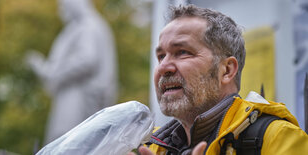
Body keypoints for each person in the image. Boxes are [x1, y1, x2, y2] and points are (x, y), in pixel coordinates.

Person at [130, 4, 308, 155]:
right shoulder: (150, 147)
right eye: (161, 56)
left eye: (183, 52)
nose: (163, 67)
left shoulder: (278, 138)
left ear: (227, 70)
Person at [26, 0, 118, 143]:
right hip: (75, 95)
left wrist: (53, 73)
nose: (61, 10)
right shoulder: (88, 25)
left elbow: (87, 59)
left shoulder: (88, 25)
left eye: (63, 5)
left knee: (67, 140)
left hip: (77, 98)